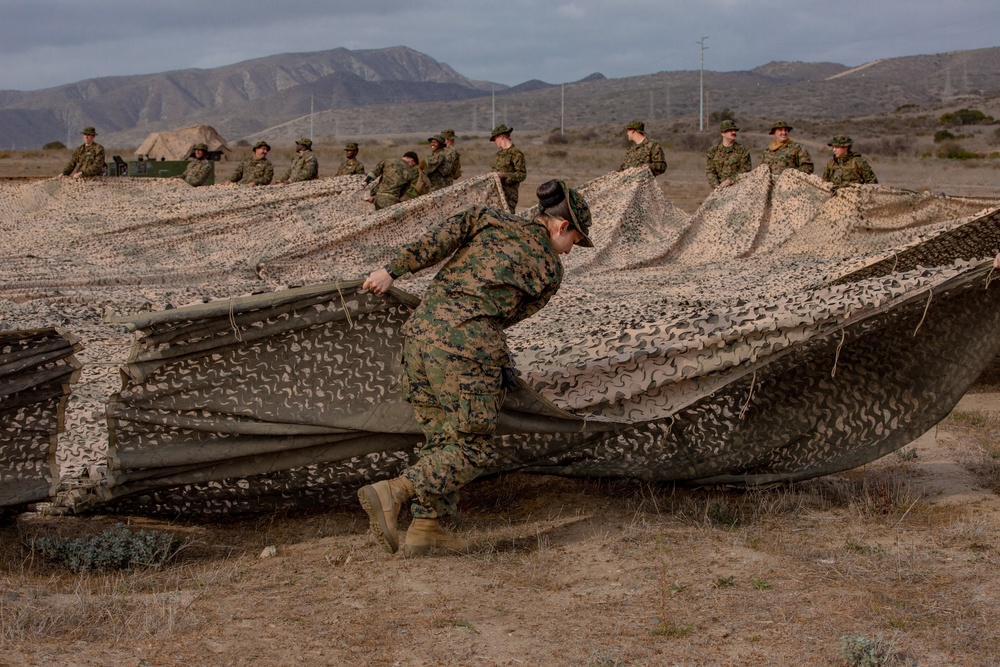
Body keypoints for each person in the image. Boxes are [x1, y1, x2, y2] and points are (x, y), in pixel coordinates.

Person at [358, 179, 594, 556]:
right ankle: (395, 491)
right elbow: (508, 317)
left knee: (442, 440)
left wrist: (391, 270)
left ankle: (426, 528)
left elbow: (437, 241)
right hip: (467, 348)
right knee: (473, 447)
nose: (570, 252)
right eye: (576, 242)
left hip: (419, 337)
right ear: (561, 226)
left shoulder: (487, 218)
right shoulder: (550, 270)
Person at [489, 124, 526, 211]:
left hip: (509, 196)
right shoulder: (498, 155)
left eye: (495, 139)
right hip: (496, 195)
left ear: (502, 136)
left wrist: (505, 176)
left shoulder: (516, 154)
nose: (494, 142)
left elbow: (522, 174)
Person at [706, 120, 751, 188]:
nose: (734, 132)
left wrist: (730, 180)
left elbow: (745, 169)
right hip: (719, 190)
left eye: (734, 130)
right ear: (723, 133)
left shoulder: (742, 151)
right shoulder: (713, 151)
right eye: (730, 130)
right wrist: (716, 185)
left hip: (737, 189)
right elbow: (710, 171)